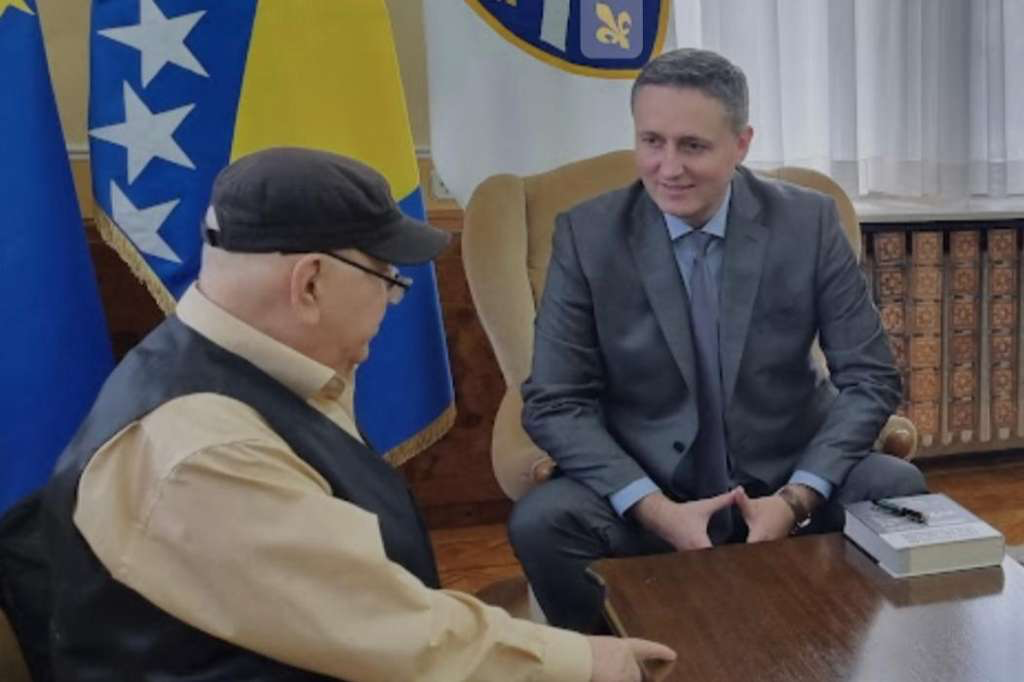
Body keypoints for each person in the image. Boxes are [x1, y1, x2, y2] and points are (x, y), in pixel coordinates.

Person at [42, 147, 675, 681]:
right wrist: (590, 661)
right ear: (309, 284)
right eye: (387, 278)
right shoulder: (203, 453)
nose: (391, 302)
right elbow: (393, 635)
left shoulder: (259, 373)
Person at [509, 48, 929, 633]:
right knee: (543, 522)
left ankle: (830, 653)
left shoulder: (808, 223)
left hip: (787, 480)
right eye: (651, 141)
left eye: (693, 146)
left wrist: (797, 498)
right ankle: (617, 664)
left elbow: (870, 378)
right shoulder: (587, 234)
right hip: (650, 488)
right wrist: (653, 508)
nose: (668, 167)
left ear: (741, 144)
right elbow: (555, 401)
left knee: (894, 489)